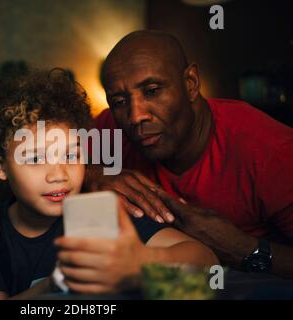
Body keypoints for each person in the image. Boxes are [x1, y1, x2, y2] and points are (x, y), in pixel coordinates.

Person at [0, 69, 218, 299]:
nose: (59, 175)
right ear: (0, 166)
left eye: (70, 155)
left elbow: (208, 264)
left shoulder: (98, 213)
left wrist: (140, 262)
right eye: (35, 158)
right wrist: (55, 284)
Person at [85, 30, 293, 278]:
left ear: (191, 84)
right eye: (119, 101)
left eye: (152, 90)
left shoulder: (272, 151)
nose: (135, 116)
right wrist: (93, 174)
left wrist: (244, 249)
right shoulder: (110, 127)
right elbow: (46, 164)